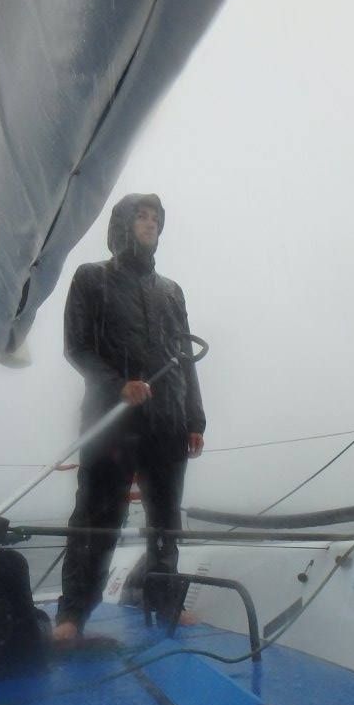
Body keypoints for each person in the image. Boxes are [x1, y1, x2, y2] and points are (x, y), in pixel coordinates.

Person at [53, 193, 205, 646]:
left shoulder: (171, 291)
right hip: (111, 420)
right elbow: (77, 347)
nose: (150, 222)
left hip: (167, 421)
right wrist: (118, 384)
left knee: (166, 519)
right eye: (141, 216)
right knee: (97, 515)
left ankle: (164, 601)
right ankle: (73, 612)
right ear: (122, 224)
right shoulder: (92, 278)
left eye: (155, 217)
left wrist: (195, 419)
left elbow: (184, 358)